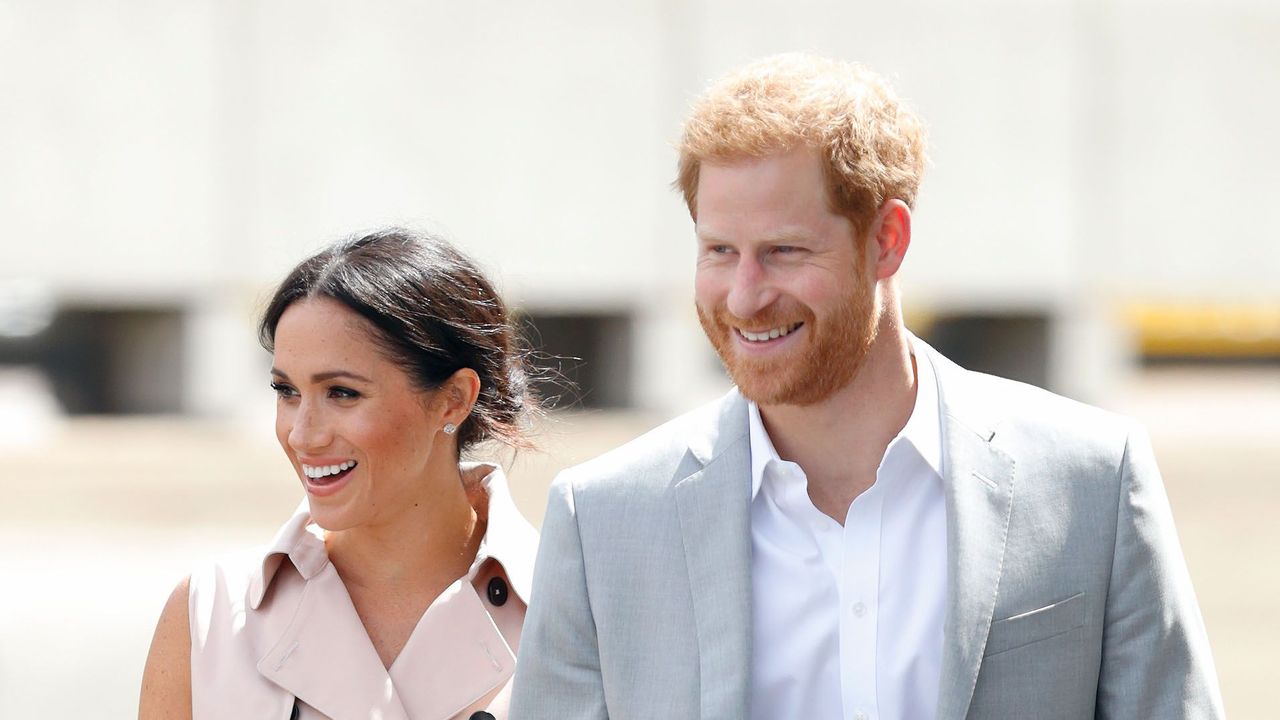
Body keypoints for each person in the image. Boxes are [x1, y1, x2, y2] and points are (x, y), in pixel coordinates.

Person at [510, 54, 1223, 719]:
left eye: (784, 252)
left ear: (887, 239)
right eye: (720, 252)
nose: (744, 296)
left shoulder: (1091, 480)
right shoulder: (602, 520)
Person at [140, 227, 540, 720]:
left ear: (453, 399)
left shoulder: (570, 609)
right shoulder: (208, 614)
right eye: (286, 392)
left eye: (342, 393)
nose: (303, 435)